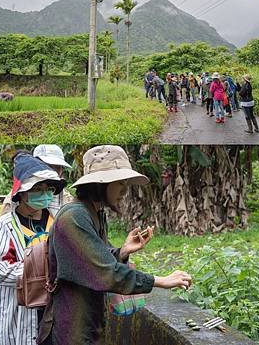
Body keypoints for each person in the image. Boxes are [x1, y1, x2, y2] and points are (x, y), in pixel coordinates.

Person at [38, 145, 192, 345]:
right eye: (120, 183)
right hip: (70, 330)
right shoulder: (73, 217)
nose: (125, 190)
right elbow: (105, 273)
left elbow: (94, 257)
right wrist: (159, 280)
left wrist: (123, 251)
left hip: (89, 324)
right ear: (100, 184)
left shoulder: (95, 212)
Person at [0, 152, 66, 345]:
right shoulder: (3, 227)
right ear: (21, 192)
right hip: (19, 315)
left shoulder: (59, 220)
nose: (45, 193)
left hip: (54, 313)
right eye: (38, 188)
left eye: (48, 188)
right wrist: (49, 269)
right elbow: (4, 271)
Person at [0, 145, 73, 217]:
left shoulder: (65, 197)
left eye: (57, 167)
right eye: (48, 166)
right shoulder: (16, 197)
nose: (53, 171)